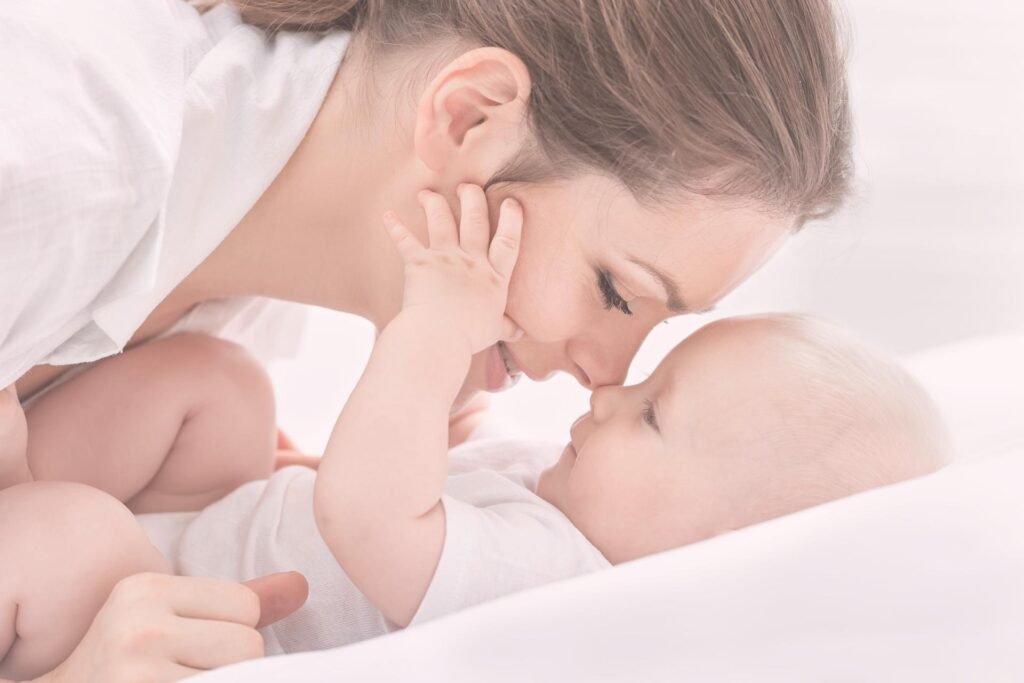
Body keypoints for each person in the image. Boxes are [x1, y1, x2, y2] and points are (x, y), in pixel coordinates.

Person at [1, 0, 852, 678]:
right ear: (469, 116)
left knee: (223, 394)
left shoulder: (242, 284)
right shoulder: (56, 162)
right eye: (614, 291)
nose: (605, 377)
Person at [0, 191, 948, 680]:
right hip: (219, 529)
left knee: (82, 529)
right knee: (225, 387)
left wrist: (431, 329)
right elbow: (439, 470)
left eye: (653, 412)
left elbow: (373, 512)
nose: (607, 396)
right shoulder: (563, 496)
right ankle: (24, 482)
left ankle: (26, 506)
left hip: (168, 611)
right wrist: (458, 389)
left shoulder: (560, 586)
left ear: (709, 553)